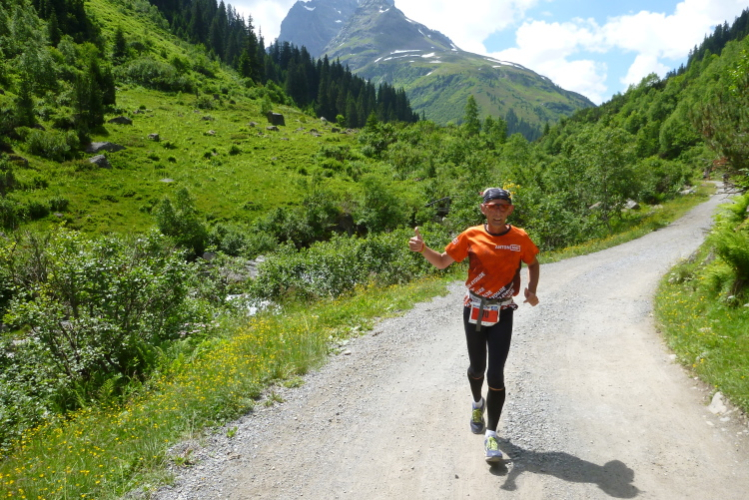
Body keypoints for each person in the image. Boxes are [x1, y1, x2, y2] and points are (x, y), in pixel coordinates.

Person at [409, 187, 540, 463]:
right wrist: (423, 249)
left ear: (510, 210)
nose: (498, 211)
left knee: (496, 375)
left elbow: (533, 262)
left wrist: (531, 289)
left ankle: (491, 434)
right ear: (483, 209)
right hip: (475, 309)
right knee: (477, 368)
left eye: (503, 206)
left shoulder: (520, 238)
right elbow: (442, 262)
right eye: (492, 206)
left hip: (503, 311)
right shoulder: (470, 235)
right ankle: (477, 403)